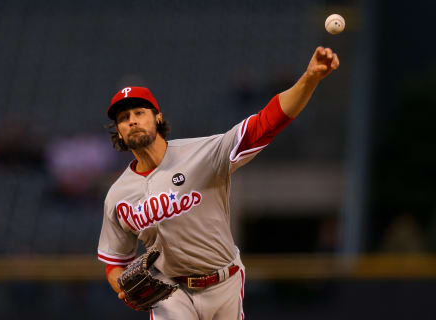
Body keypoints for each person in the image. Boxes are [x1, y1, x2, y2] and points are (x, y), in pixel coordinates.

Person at [97, 46, 339, 320]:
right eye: (123, 118)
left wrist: (309, 78)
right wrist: (123, 287)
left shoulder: (202, 153)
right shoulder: (118, 195)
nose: (132, 121)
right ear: (118, 131)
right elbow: (114, 261)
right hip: (170, 291)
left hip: (224, 281)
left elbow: (266, 123)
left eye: (139, 113)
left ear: (158, 117)